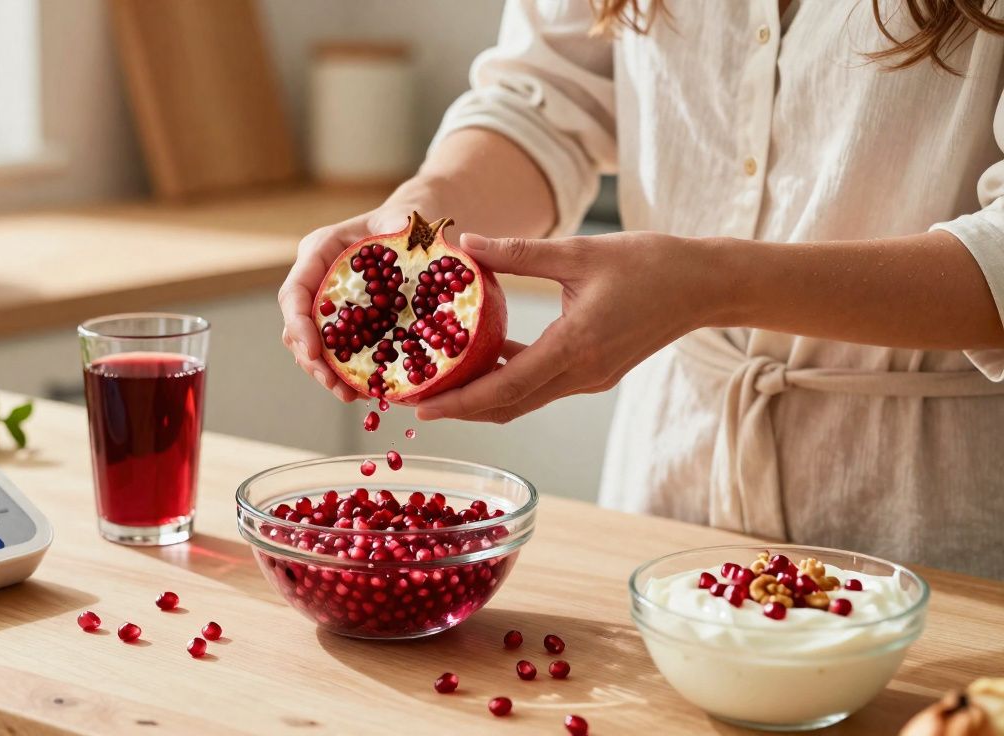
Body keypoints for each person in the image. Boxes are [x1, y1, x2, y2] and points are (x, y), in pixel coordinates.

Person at [278, 0, 1004, 579]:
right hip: (666, 497)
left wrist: (713, 285)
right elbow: (541, 103)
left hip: (939, 523)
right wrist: (420, 219)